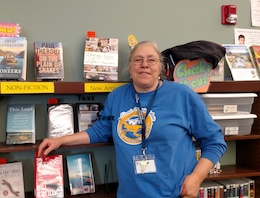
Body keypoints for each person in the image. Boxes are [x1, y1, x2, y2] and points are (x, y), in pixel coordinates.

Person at [38, 41, 227, 198]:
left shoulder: (182, 95)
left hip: (175, 193)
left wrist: (196, 178)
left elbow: (215, 141)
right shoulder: (117, 96)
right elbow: (99, 131)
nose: (144, 64)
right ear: (129, 67)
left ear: (160, 68)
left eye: (151, 60)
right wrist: (60, 140)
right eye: (138, 60)